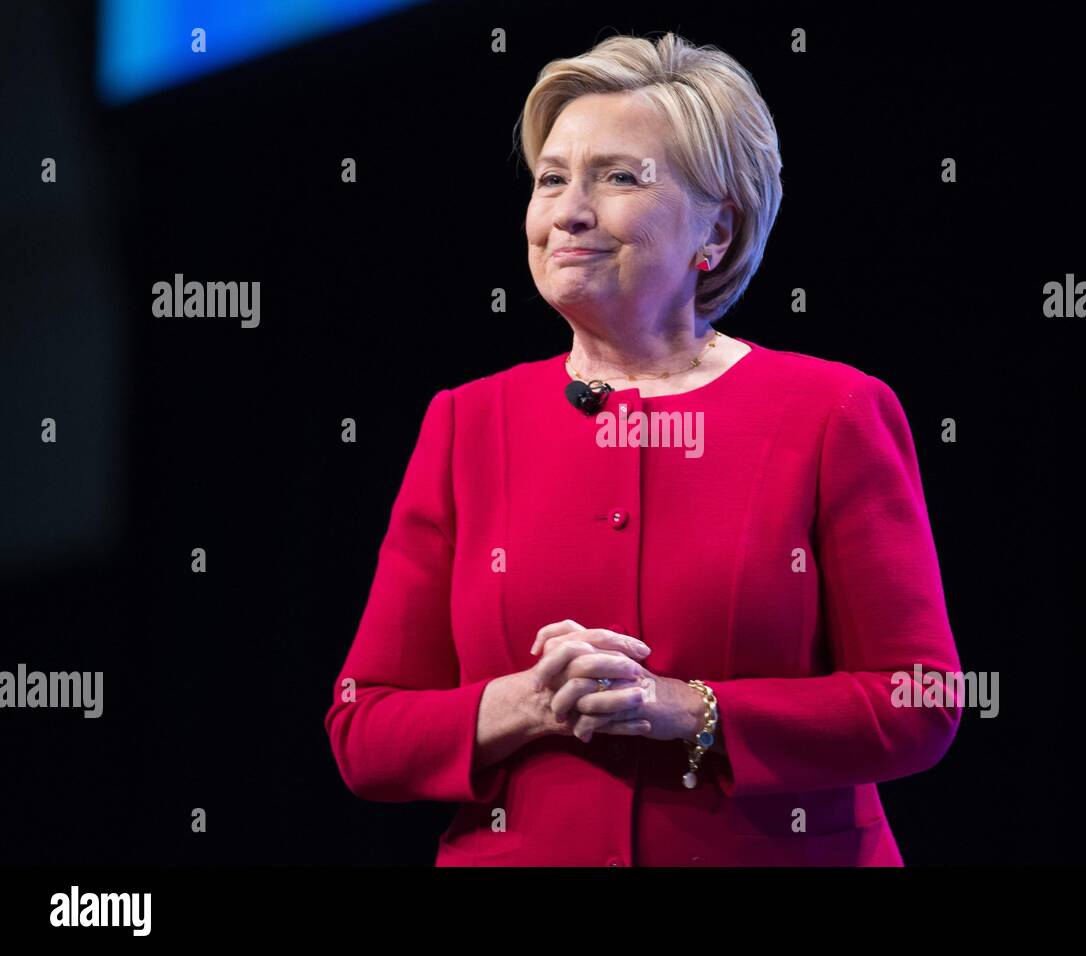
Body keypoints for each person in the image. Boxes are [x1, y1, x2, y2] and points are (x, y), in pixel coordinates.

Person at [324, 31, 961, 866]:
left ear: (718, 231)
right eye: (552, 179)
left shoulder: (831, 411)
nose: (568, 211)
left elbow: (920, 703)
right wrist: (525, 702)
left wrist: (690, 710)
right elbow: (364, 727)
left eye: (619, 177)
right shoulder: (464, 423)